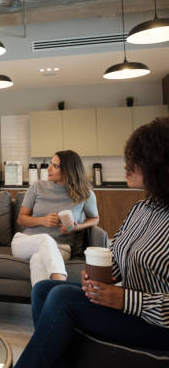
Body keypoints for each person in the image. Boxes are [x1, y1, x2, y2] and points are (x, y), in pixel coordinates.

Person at [14, 116, 169, 368]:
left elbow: (93, 219)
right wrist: (99, 277)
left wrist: (124, 299)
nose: (126, 166)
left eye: (137, 160)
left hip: (153, 320)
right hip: (127, 301)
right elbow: (117, 257)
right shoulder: (142, 208)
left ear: (161, 165)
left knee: (62, 297)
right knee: (44, 289)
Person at [11, 150, 99, 286]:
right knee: (45, 239)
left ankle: (42, 306)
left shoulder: (85, 193)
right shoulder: (37, 187)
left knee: (38, 260)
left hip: (61, 247)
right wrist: (43, 220)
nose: (49, 168)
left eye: (55, 166)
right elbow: (21, 219)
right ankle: (60, 283)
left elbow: (95, 218)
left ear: (68, 171)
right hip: (25, 242)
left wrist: (77, 227)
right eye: (51, 164)